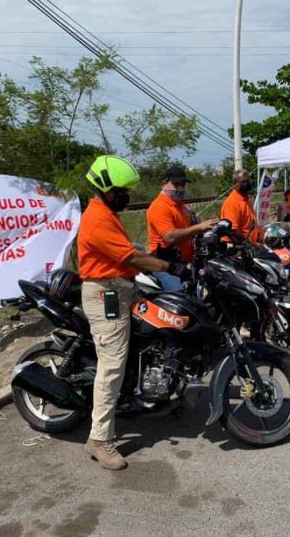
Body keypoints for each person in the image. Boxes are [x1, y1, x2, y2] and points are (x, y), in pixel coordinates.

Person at [78, 155, 190, 470]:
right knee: (112, 364)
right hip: (106, 295)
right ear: (105, 188)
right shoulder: (97, 218)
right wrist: (171, 266)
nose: (126, 196)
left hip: (120, 288)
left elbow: (129, 252)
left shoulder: (105, 212)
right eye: (121, 191)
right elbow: (130, 258)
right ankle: (99, 439)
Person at [146, 163, 217, 291]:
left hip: (183, 262)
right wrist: (200, 227)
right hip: (164, 264)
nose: (180, 188)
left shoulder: (180, 206)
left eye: (183, 185)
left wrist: (208, 224)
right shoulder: (159, 207)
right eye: (176, 184)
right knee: (180, 296)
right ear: (164, 183)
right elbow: (170, 237)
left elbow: (190, 228)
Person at [221, 169, 261, 242]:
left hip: (249, 246)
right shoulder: (232, 202)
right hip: (237, 247)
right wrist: (253, 245)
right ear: (236, 184)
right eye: (244, 182)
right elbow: (233, 231)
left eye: (248, 180)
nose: (248, 183)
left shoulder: (247, 199)